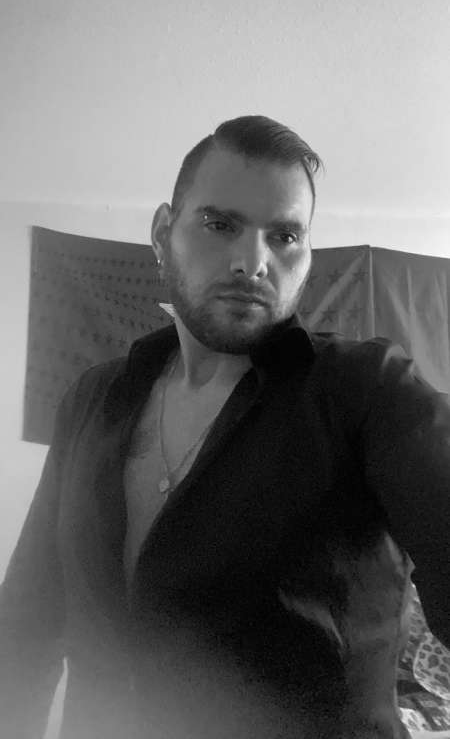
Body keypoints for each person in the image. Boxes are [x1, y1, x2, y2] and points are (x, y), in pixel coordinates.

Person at [1, 116, 450, 739]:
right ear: (163, 232)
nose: (253, 262)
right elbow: (28, 618)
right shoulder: (93, 398)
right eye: (221, 225)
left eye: (284, 236)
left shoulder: (368, 392)